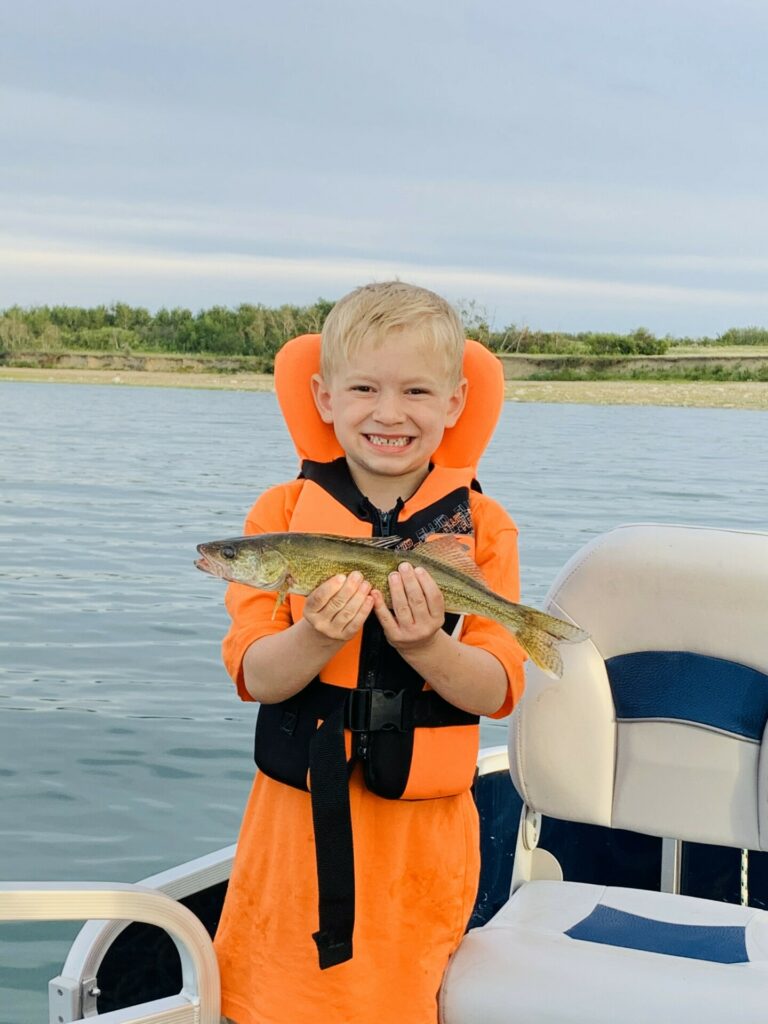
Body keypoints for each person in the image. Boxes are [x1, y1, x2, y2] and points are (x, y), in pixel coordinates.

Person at [213, 281, 526, 1024]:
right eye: (364, 388)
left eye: (417, 390)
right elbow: (256, 674)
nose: (389, 413)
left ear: (454, 404)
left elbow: (495, 690)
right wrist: (318, 633)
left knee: (408, 1000)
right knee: (270, 1000)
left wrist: (425, 646)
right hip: (292, 840)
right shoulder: (281, 517)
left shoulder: (482, 527)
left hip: (424, 849)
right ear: (323, 397)